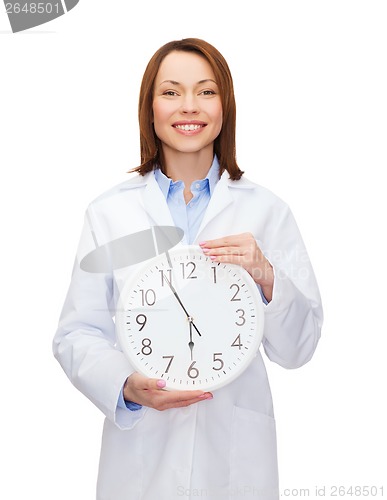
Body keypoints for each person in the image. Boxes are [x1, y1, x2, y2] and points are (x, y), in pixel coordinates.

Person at [53, 38, 323, 500]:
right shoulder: (109, 213)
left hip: (235, 458)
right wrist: (127, 386)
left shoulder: (266, 211)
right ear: (150, 107)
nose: (189, 106)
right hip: (140, 461)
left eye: (207, 91)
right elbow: (76, 334)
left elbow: (299, 347)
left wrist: (267, 276)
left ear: (225, 106)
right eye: (172, 92)